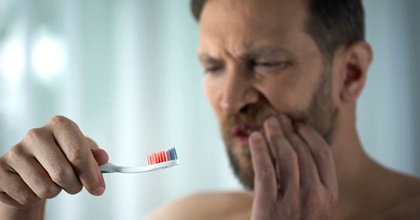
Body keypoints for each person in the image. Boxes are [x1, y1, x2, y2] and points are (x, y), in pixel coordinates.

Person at [0, 0, 419, 219]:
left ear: (350, 73)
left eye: (266, 62)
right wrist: (20, 211)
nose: (230, 99)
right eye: (213, 67)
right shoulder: (187, 216)